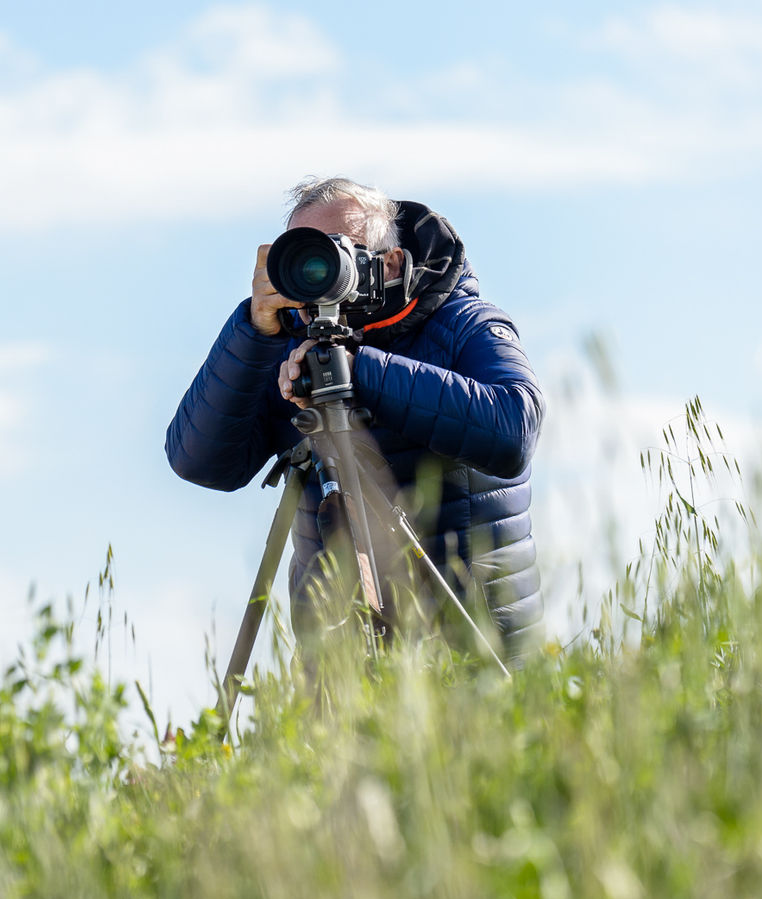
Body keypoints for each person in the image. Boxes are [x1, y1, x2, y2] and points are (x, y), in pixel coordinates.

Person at [165, 176, 544, 661]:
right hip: (341, 669)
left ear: (389, 262)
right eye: (301, 254)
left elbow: (515, 428)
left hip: (474, 649)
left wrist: (358, 369)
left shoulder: (463, 322)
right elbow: (200, 462)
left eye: (335, 252)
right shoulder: (284, 341)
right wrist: (253, 332)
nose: (317, 270)